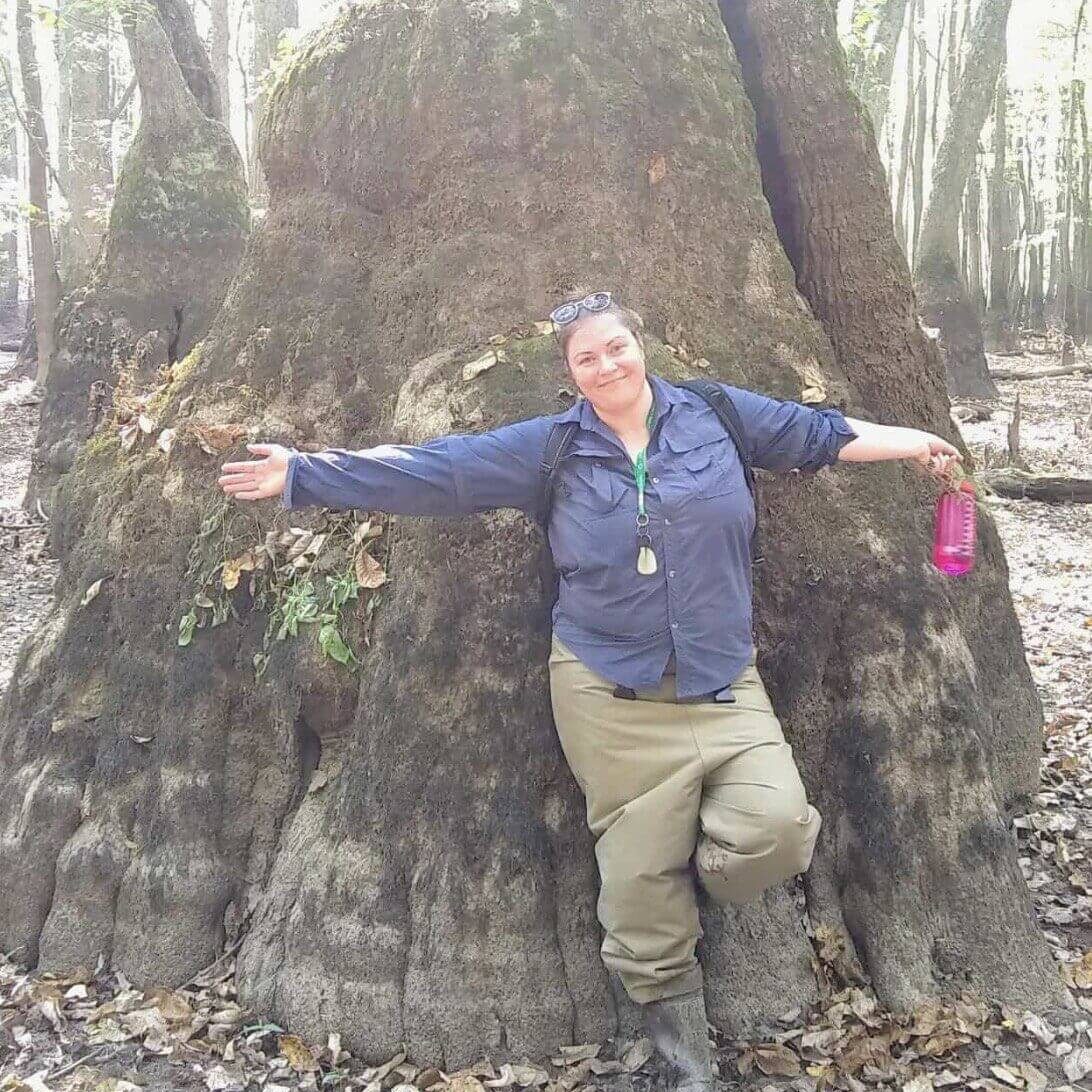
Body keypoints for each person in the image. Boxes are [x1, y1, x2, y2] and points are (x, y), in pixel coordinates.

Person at [219, 292, 960, 1092]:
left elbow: (819, 434)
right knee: (639, 895)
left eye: (616, 348)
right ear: (570, 374)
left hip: (722, 681)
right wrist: (303, 474)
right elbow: (439, 471)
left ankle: (685, 871)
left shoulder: (716, 414)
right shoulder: (553, 448)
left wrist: (914, 443)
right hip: (609, 695)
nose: (607, 366)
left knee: (776, 832)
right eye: (587, 358)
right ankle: (686, 1062)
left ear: (640, 346)